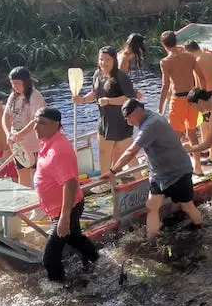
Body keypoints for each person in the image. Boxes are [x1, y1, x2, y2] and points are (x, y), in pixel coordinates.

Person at [102, 99, 204, 238]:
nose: (128, 122)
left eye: (129, 118)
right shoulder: (145, 120)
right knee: (152, 206)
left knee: (187, 205)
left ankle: (200, 228)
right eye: (126, 119)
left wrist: (113, 170)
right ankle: (152, 239)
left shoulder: (152, 124)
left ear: (139, 110)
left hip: (177, 171)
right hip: (160, 174)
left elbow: (131, 151)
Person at [33, 107, 100, 282]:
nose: (36, 127)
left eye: (41, 123)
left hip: (66, 208)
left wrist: (64, 218)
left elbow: (70, 183)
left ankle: (60, 288)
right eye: (35, 122)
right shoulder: (48, 140)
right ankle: (96, 260)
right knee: (74, 238)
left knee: (49, 258)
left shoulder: (58, 150)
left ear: (56, 125)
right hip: (62, 207)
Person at [72, 46, 139, 192]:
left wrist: (109, 101)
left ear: (114, 60)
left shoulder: (121, 76)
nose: (104, 62)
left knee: (128, 154)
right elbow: (95, 93)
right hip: (104, 121)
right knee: (103, 153)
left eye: (107, 59)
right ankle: (106, 183)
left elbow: (130, 97)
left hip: (121, 122)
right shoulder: (97, 74)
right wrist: (82, 100)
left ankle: (140, 180)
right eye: (101, 59)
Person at [158, 31, 204, 174]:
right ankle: (198, 167)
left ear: (163, 45)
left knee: (175, 136)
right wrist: (201, 96)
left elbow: (165, 86)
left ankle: (175, 168)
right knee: (192, 133)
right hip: (192, 98)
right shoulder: (189, 57)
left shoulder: (165, 62)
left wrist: (160, 107)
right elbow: (201, 77)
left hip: (178, 99)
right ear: (176, 41)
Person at [4, 66, 47, 186]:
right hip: (18, 145)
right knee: (22, 173)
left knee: (37, 173)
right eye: (12, 83)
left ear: (26, 82)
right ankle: (24, 198)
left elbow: (35, 119)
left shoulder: (35, 96)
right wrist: (8, 134)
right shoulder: (13, 97)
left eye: (17, 83)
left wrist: (20, 134)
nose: (15, 86)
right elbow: (6, 117)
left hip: (33, 143)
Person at [185, 40, 212, 164]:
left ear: (189, 51)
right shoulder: (209, 55)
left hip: (206, 94)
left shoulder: (196, 61)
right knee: (210, 123)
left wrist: (197, 97)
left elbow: (199, 81)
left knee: (208, 125)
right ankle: (209, 151)